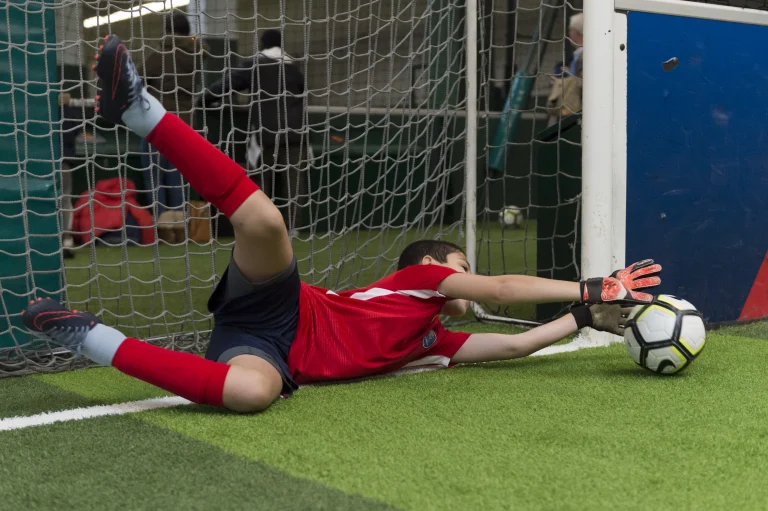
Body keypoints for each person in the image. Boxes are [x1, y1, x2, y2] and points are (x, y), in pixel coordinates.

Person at [22, 35, 662, 414]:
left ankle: (89, 339)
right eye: (462, 266)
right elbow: (496, 293)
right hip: (283, 309)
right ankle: (143, 112)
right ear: (438, 267)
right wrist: (590, 287)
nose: (467, 281)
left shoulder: (431, 342)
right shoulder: (419, 281)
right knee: (268, 223)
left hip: (270, 352)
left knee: (251, 396)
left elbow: (516, 344)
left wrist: (583, 320)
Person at [201, 29, 307, 233]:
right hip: (295, 133)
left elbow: (227, 84)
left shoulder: (256, 65)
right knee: (294, 184)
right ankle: (294, 228)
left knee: (260, 182)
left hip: (266, 132)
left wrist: (203, 99)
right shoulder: (294, 67)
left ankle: (262, 226)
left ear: (262, 43)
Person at [137, 10, 200, 220]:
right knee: (177, 176)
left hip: (158, 122)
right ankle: (180, 224)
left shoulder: (160, 56)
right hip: (185, 123)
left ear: (167, 30)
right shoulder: (196, 55)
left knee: (154, 177)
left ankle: (162, 225)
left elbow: (137, 80)